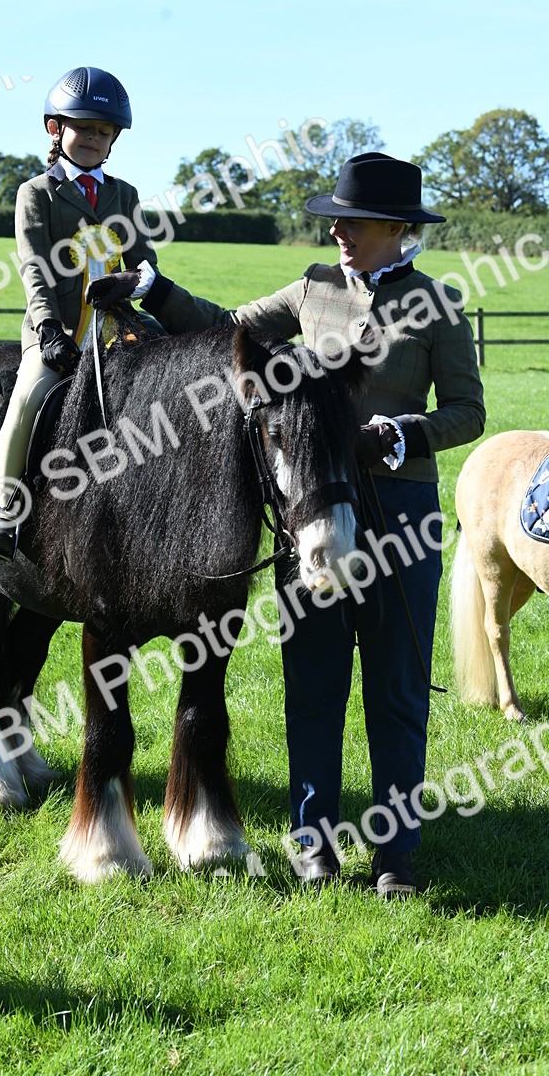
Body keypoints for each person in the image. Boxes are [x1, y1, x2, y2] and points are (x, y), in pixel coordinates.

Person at [106, 152, 486, 897]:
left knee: (396, 690)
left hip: (400, 517)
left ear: (396, 228)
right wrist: (155, 289)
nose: (337, 229)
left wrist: (401, 434)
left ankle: (394, 852)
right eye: (335, 219)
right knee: (313, 683)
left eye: (352, 220)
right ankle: (313, 841)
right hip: (310, 515)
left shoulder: (439, 306)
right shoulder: (311, 289)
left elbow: (469, 412)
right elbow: (226, 330)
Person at [0, 66, 163, 560]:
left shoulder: (125, 195)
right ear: (56, 130)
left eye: (104, 132)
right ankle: (5, 510)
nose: (94, 139)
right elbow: (33, 267)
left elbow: (144, 258)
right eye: (84, 129)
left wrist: (140, 278)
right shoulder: (36, 193)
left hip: (118, 327)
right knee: (27, 400)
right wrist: (48, 329)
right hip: (56, 330)